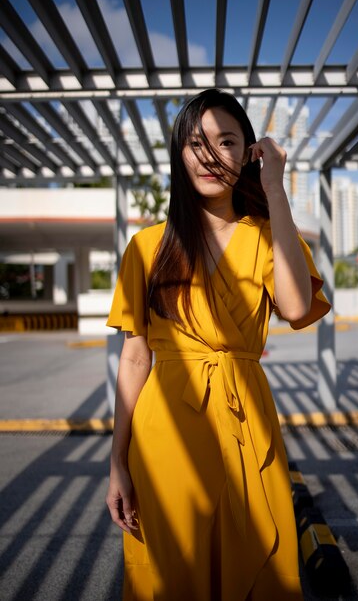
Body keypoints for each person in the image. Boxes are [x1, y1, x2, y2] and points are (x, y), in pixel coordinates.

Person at [106, 88, 330, 600]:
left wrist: (276, 189)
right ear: (178, 155)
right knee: (171, 575)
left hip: (247, 423)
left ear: (247, 153)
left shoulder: (269, 235)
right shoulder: (146, 246)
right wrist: (118, 461)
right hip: (165, 437)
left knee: (262, 565)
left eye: (226, 141)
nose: (209, 155)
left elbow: (297, 310)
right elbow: (136, 355)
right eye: (195, 143)